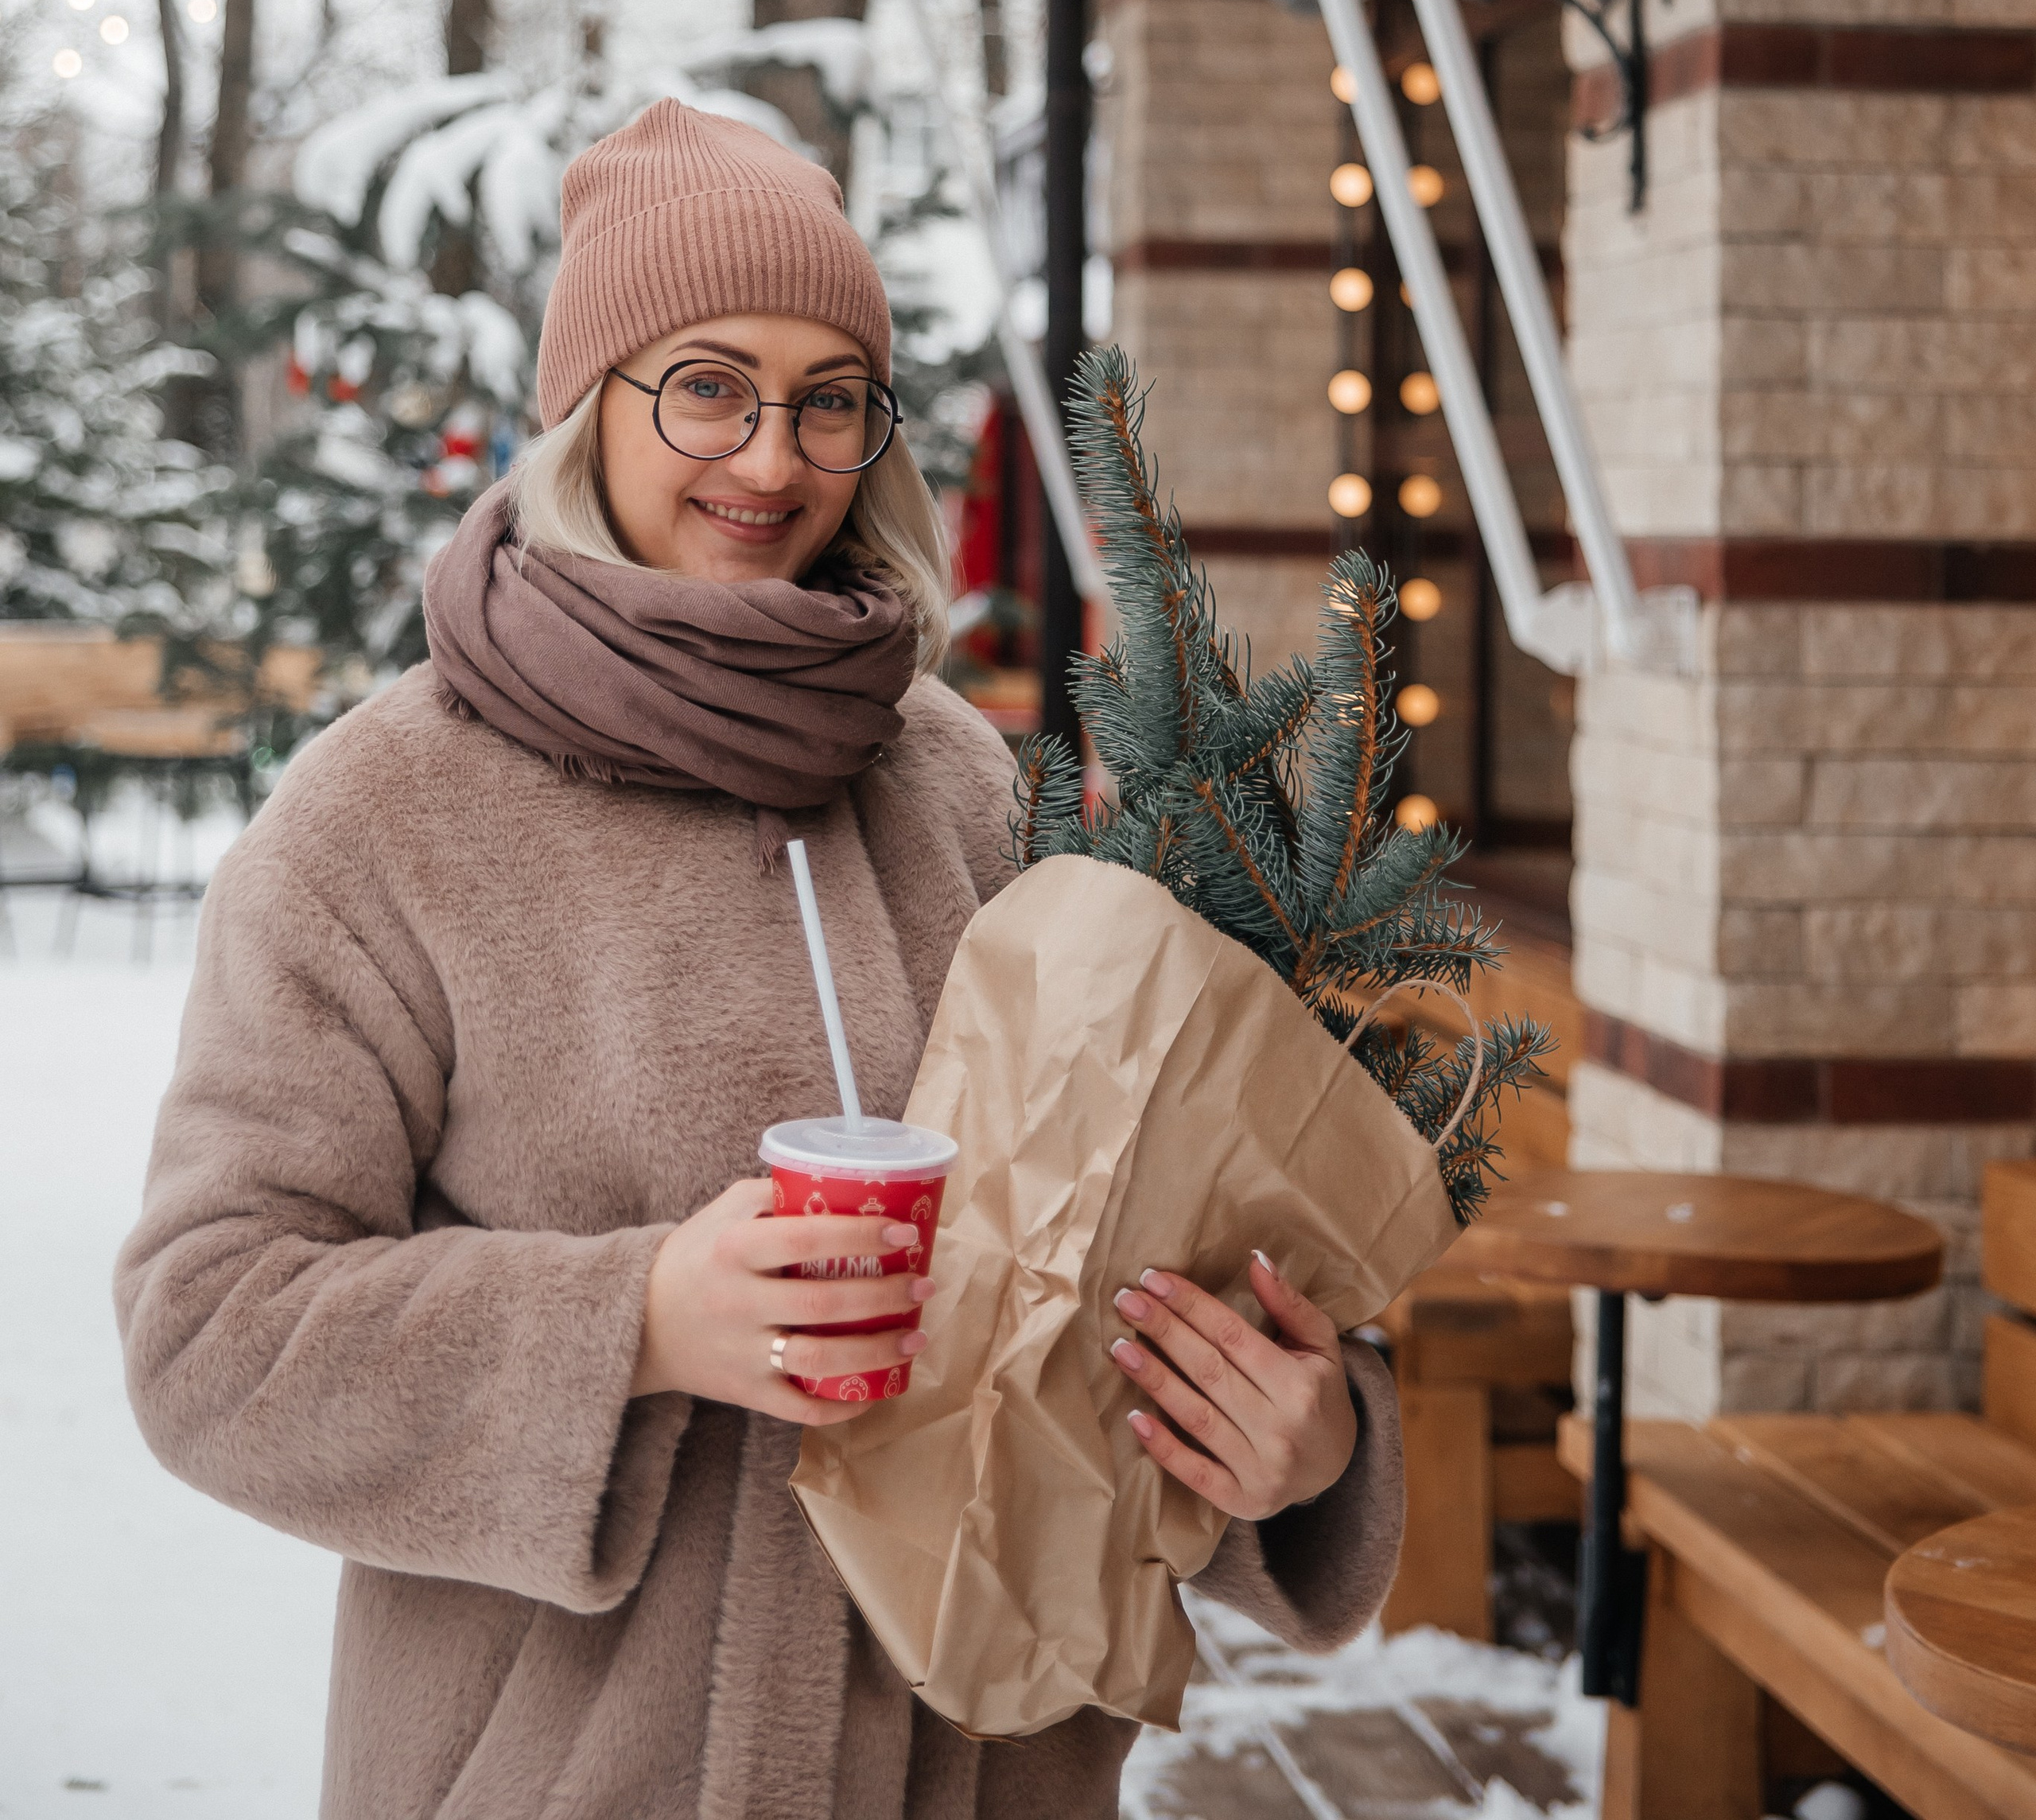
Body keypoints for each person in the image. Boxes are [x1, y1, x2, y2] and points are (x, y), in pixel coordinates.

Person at [116, 99, 1405, 1820]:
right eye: (706, 384)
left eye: (827, 399)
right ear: (587, 406)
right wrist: (632, 1320)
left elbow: (1149, 1232)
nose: (773, 458)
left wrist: (1300, 1451)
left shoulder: (959, 780)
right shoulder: (384, 817)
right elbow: (209, 1334)